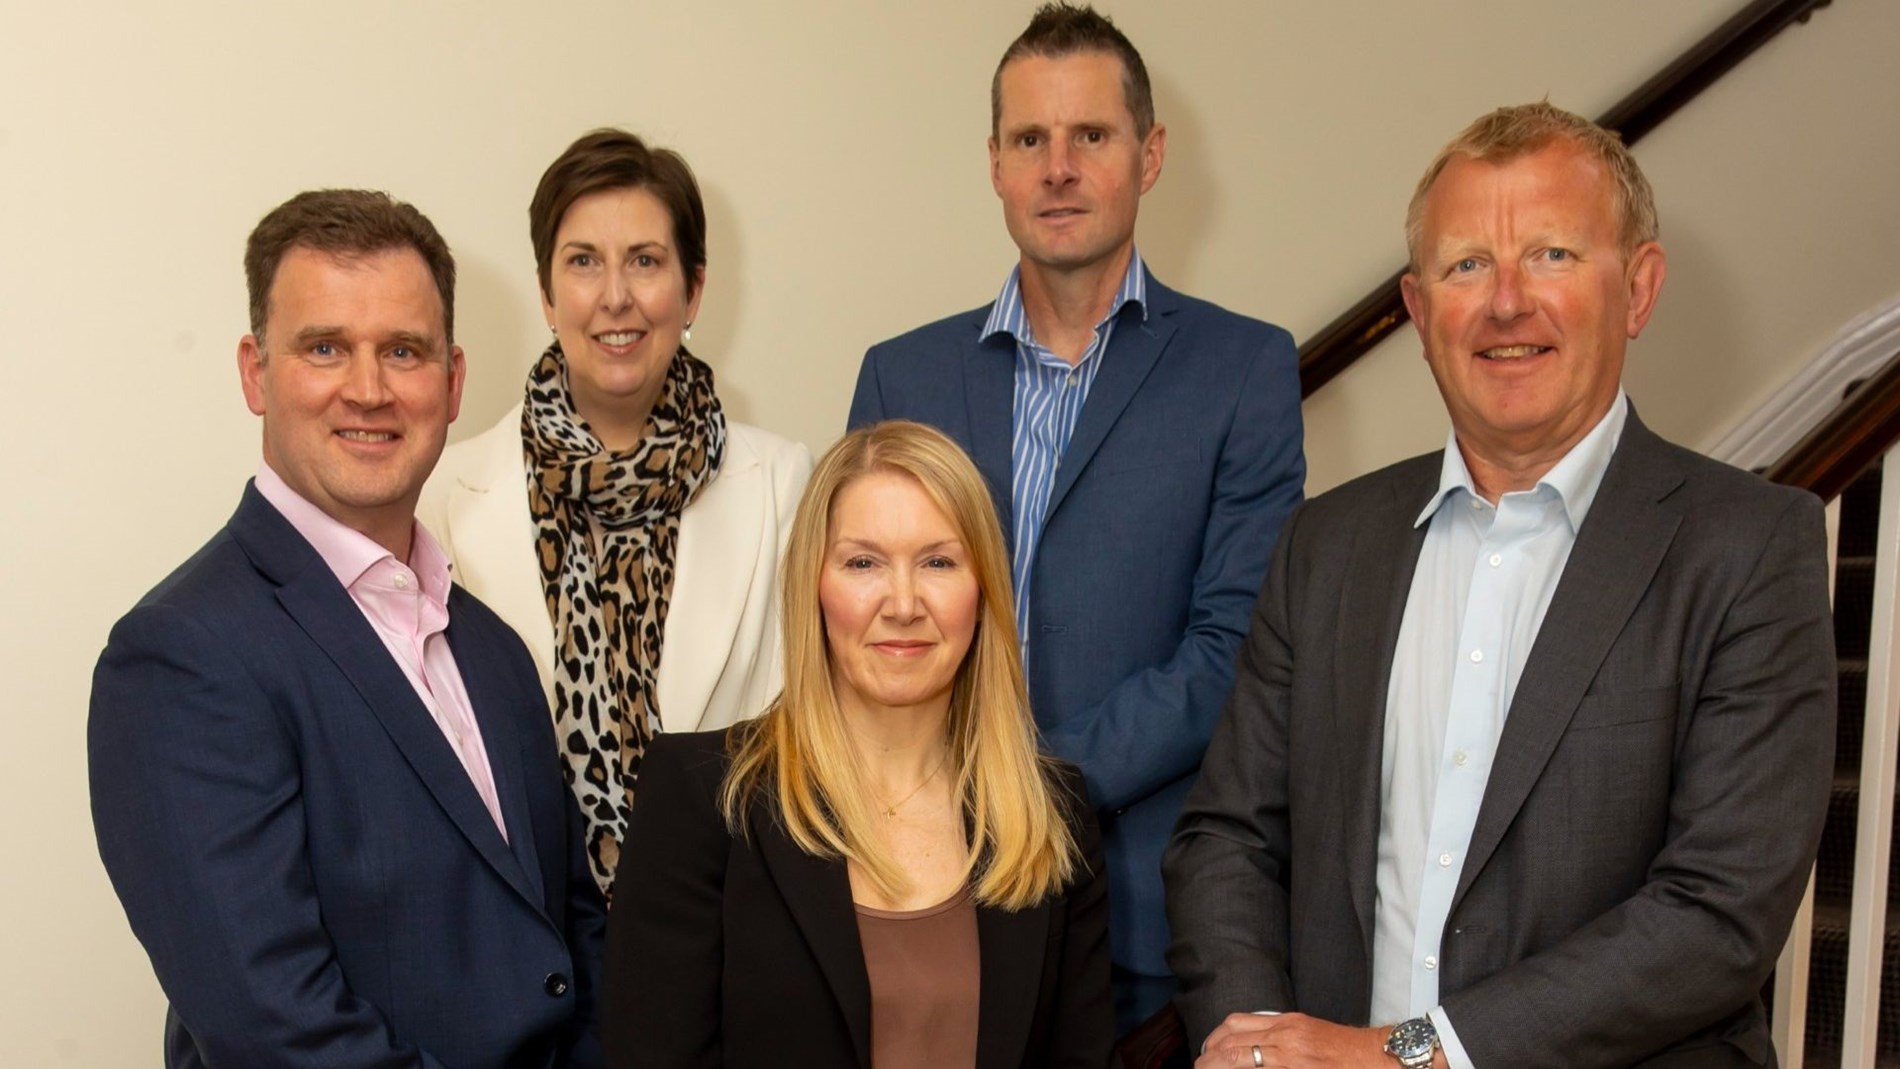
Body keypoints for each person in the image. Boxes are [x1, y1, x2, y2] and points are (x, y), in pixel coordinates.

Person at [1165, 102, 1837, 1068]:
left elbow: (1716, 912)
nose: (1507, 302)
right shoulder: (1326, 544)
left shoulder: (1750, 547)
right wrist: (1266, 1051)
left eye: (1553, 255)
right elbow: (1226, 840)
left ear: (1638, 289)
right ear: (1417, 309)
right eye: (1468, 265)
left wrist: (1401, 1056)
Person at [847, 3, 1305, 1033]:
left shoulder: (1243, 370)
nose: (1058, 168)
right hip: (920, 899)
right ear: (995, 164)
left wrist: (1022, 790)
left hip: (1143, 915)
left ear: (1150, 155)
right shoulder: (900, 376)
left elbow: (1235, 646)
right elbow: (858, 629)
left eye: (1090, 135)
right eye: (1029, 140)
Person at [89, 189, 606, 1068]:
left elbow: (572, 940)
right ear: (255, 372)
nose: (368, 390)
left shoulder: (494, 649)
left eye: (403, 350)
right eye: (325, 347)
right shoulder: (180, 655)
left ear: (451, 381)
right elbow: (276, 1031)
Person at [601, 420, 1113, 1067]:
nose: (903, 603)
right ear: (813, 586)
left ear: (983, 592)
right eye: (863, 562)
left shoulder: (1052, 812)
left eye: (938, 562)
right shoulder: (700, 796)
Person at [419, 129, 812, 901]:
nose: (615, 296)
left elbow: (798, 742)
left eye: (645, 260)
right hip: (527, 930)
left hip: (721, 924)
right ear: (546, 293)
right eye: (583, 261)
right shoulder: (445, 494)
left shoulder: (782, 483)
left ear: (693, 289)